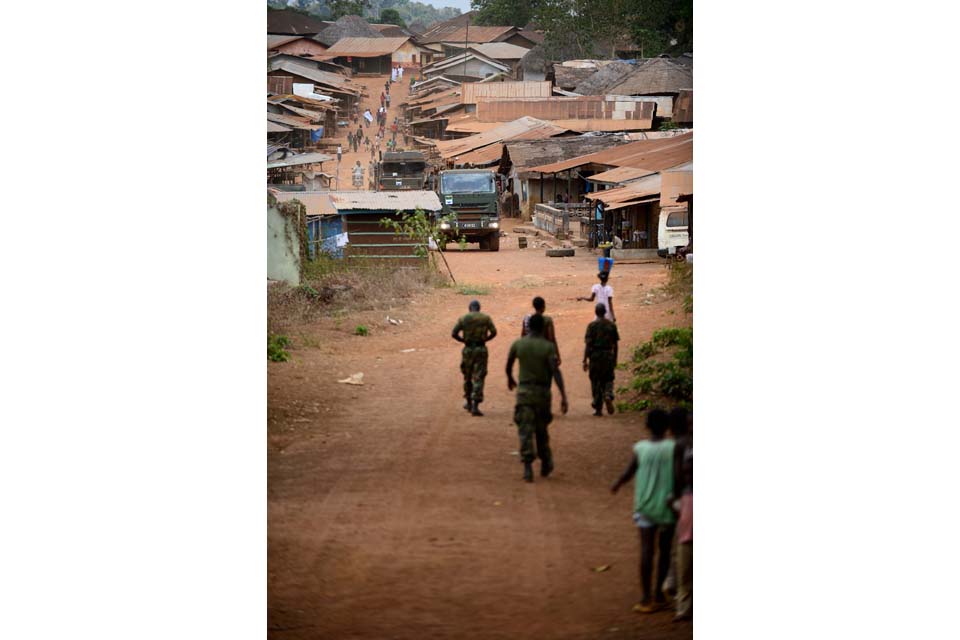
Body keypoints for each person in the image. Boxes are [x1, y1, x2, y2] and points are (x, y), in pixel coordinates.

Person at [610, 408, 676, 613]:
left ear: (646, 426)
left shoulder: (640, 448)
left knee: (647, 550)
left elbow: (629, 471)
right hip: (667, 507)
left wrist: (618, 483)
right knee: (664, 551)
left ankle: (646, 598)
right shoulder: (674, 447)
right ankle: (659, 593)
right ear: (668, 427)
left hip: (645, 505)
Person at [506, 313, 569, 483]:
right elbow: (555, 371)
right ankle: (545, 460)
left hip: (524, 393)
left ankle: (527, 467)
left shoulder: (519, 344)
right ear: (542, 327)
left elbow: (509, 364)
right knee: (541, 430)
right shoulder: (548, 347)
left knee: (525, 430)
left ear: (528, 327)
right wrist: (563, 396)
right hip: (542, 394)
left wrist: (510, 379)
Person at [451, 300, 497, 416]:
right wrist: (485, 340)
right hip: (481, 349)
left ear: (469, 308)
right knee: (479, 376)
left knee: (467, 375)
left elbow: (454, 333)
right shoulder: (485, 318)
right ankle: (476, 405)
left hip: (468, 350)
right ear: (479, 308)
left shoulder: (464, 318)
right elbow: (494, 332)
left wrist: (464, 341)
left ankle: (468, 402)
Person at [583, 302, 620, 416]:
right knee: (608, 378)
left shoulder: (591, 326)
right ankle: (608, 394)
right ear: (605, 312)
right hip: (608, 354)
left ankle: (598, 407)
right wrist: (615, 359)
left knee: (595, 380)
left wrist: (585, 360)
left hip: (595, 355)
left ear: (596, 312)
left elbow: (588, 345)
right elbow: (615, 344)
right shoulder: (611, 325)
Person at [521, 296, 560, 365]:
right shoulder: (547, 320)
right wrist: (557, 355)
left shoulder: (526, 318)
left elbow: (523, 336)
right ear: (543, 306)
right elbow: (551, 339)